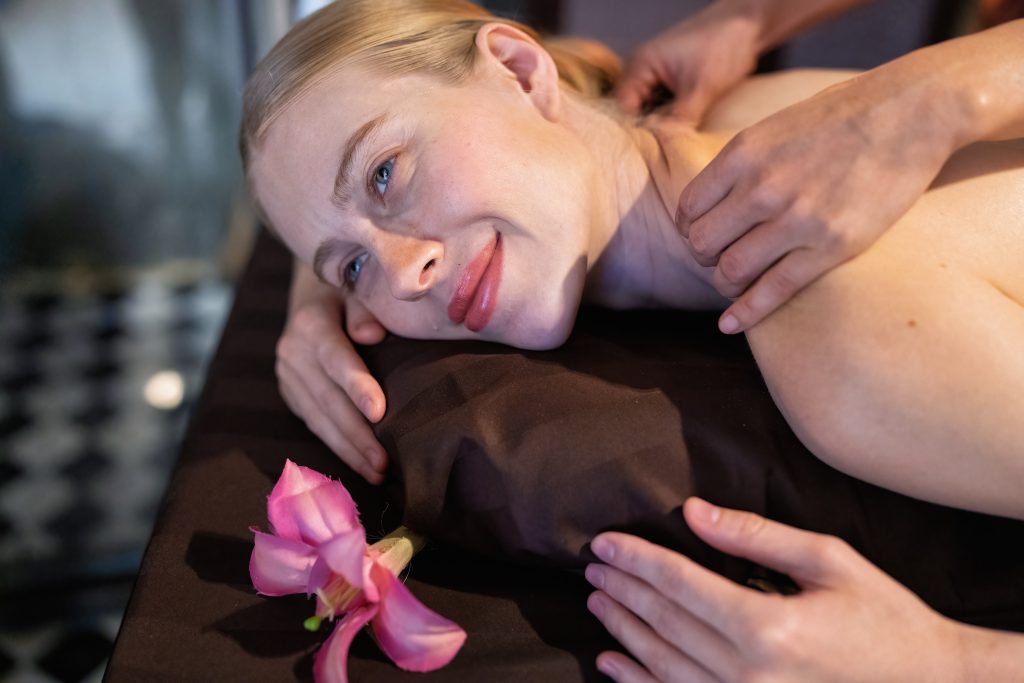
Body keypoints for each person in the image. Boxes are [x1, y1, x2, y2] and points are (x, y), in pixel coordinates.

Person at [239, 0, 1024, 677]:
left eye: (384, 173)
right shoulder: (720, 109)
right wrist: (313, 293)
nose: (405, 272)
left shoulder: (843, 344)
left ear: (520, 71)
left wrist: (949, 663)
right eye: (355, 266)